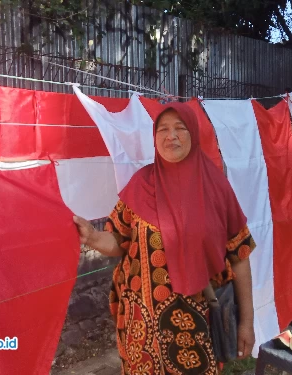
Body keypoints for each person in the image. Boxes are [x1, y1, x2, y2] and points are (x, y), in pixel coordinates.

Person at [73, 102, 256, 374]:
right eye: (163, 129)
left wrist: (246, 323)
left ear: (193, 134)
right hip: (141, 331)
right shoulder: (140, 184)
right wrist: (92, 236)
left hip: (196, 330)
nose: (171, 136)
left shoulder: (216, 189)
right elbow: (118, 242)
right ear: (155, 137)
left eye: (180, 128)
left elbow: (239, 257)